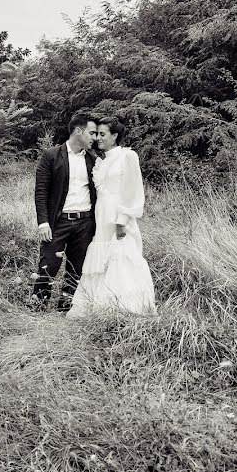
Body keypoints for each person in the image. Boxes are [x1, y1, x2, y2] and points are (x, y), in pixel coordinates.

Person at [66, 116, 156, 318]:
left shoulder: (127, 156)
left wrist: (122, 219)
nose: (97, 138)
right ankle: (98, 304)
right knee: (101, 257)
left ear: (115, 136)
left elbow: (133, 190)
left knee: (120, 256)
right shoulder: (101, 162)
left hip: (118, 216)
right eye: (96, 133)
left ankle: (123, 307)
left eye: (102, 134)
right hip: (101, 217)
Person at [31, 112, 98, 312]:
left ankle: (65, 309)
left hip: (84, 223)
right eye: (91, 133)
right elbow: (41, 190)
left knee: (77, 269)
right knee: (49, 265)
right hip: (57, 222)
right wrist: (43, 222)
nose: (94, 138)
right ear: (78, 131)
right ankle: (38, 307)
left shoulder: (93, 160)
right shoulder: (51, 156)